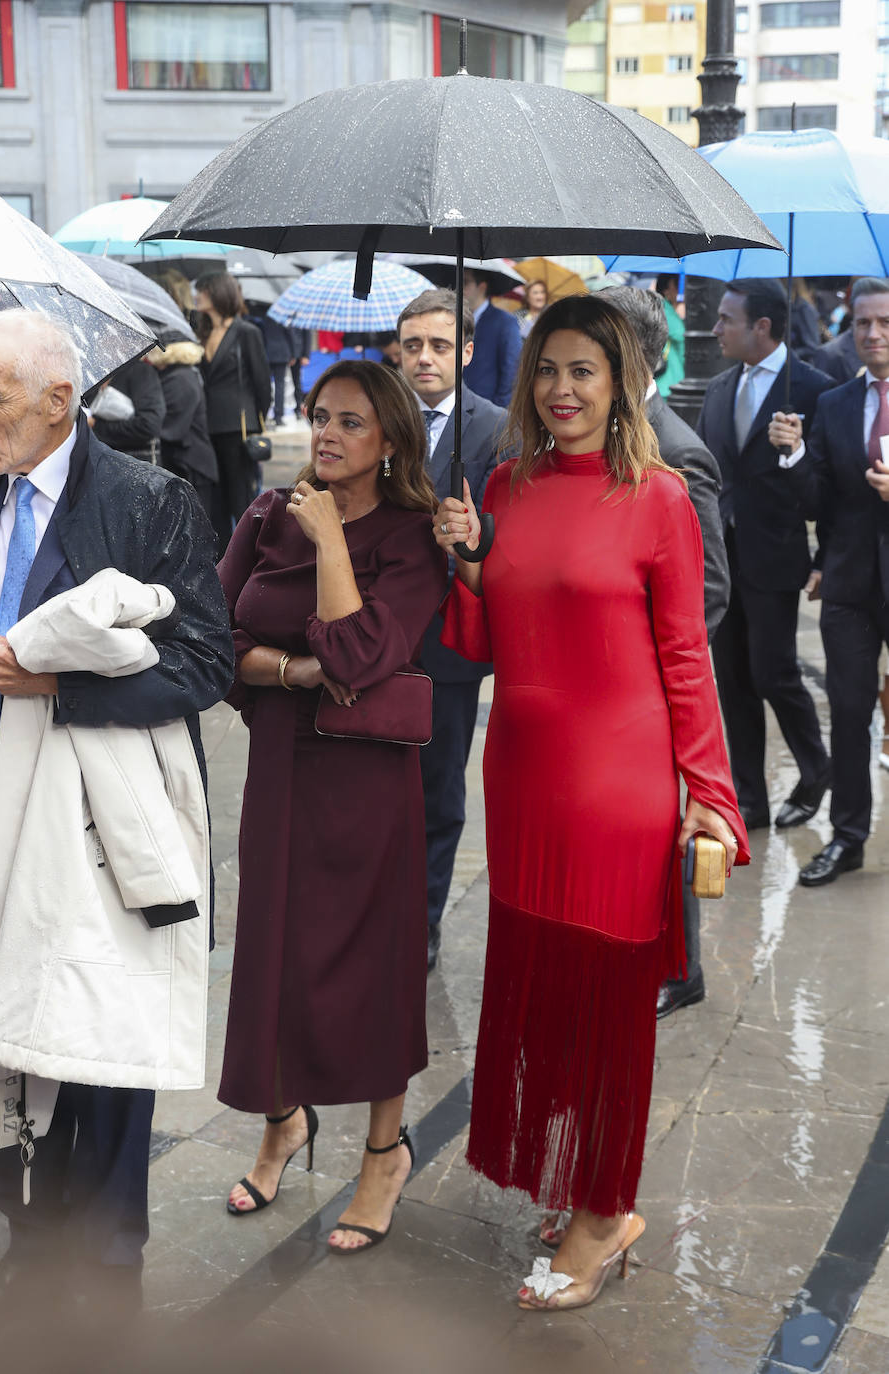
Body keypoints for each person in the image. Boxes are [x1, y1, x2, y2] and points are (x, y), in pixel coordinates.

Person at [433, 295, 748, 1311]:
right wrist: (466, 561)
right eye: (547, 370)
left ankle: (606, 1212)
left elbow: (686, 657)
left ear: (621, 386)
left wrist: (711, 792)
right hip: (521, 777)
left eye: (583, 371)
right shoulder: (501, 485)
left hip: (617, 785)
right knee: (547, 995)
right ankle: (580, 1188)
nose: (561, 390)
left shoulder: (655, 496)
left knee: (607, 1005)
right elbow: (481, 647)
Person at [0, 310, 233, 1313]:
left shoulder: (148, 499)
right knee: (0, 1030)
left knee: (102, 1037)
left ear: (57, 400)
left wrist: (60, 692)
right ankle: (30, 1230)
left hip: (97, 826)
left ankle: (109, 1249)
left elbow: (203, 662)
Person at [216, 360, 447, 1254]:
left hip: (365, 779)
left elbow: (358, 655)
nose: (328, 434)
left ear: (389, 441)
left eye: (351, 422)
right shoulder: (268, 515)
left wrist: (333, 546)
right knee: (273, 949)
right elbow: (213, 632)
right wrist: (286, 671)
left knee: (370, 959)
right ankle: (283, 1122)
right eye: (320, 416)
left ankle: (383, 1152)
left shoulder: (416, 534)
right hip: (280, 761)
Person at [601, 284, 729, 1022]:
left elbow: (711, 588)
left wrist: (641, 662)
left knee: (672, 824)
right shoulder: (602, 435)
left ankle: (683, 969)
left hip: (653, 682)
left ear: (639, 353)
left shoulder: (678, 450)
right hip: (611, 688)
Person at [397, 288, 507, 971]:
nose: (425, 358)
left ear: (465, 351)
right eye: (413, 345)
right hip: (377, 634)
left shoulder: (495, 429)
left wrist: (469, 539)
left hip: (448, 642)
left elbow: (505, 540)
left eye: (440, 345)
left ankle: (424, 920)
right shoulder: (375, 418)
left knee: (438, 792)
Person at [698, 278, 834, 831]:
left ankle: (817, 767)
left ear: (762, 326)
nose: (716, 328)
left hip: (775, 559)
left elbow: (825, 493)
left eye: (726, 319)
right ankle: (749, 799)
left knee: (773, 673)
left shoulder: (815, 390)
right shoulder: (718, 387)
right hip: (722, 561)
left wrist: (795, 450)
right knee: (732, 681)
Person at [771, 277, 889, 885]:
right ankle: (848, 836)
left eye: (884, 323)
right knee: (847, 712)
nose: (871, 334)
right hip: (849, 584)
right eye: (862, 323)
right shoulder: (838, 402)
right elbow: (821, 501)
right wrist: (793, 455)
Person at [195, 272, 271, 554]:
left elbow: (263, 383)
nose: (197, 295)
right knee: (215, 500)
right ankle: (224, 559)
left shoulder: (246, 332)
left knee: (241, 498)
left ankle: (251, 556)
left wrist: (256, 420)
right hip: (206, 427)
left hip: (238, 427)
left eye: (202, 290)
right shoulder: (200, 333)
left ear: (217, 293)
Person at [146, 329, 220, 521]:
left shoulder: (179, 378)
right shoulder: (180, 375)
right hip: (188, 463)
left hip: (191, 466)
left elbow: (171, 427)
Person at [87, 356, 165, 463]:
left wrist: (95, 426)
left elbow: (149, 425)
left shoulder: (141, 371)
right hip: (97, 459)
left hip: (132, 465)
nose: (104, 341)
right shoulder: (97, 371)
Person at [462, 269, 522, 408]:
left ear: (482, 287)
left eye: (465, 282)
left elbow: (512, 370)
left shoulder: (504, 321)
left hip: (490, 410)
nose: (460, 288)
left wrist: (498, 410)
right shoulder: (454, 320)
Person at [653, 274, 686, 398]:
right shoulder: (664, 308)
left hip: (663, 382)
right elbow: (681, 335)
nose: (679, 289)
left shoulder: (658, 307)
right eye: (676, 285)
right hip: (669, 381)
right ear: (665, 290)